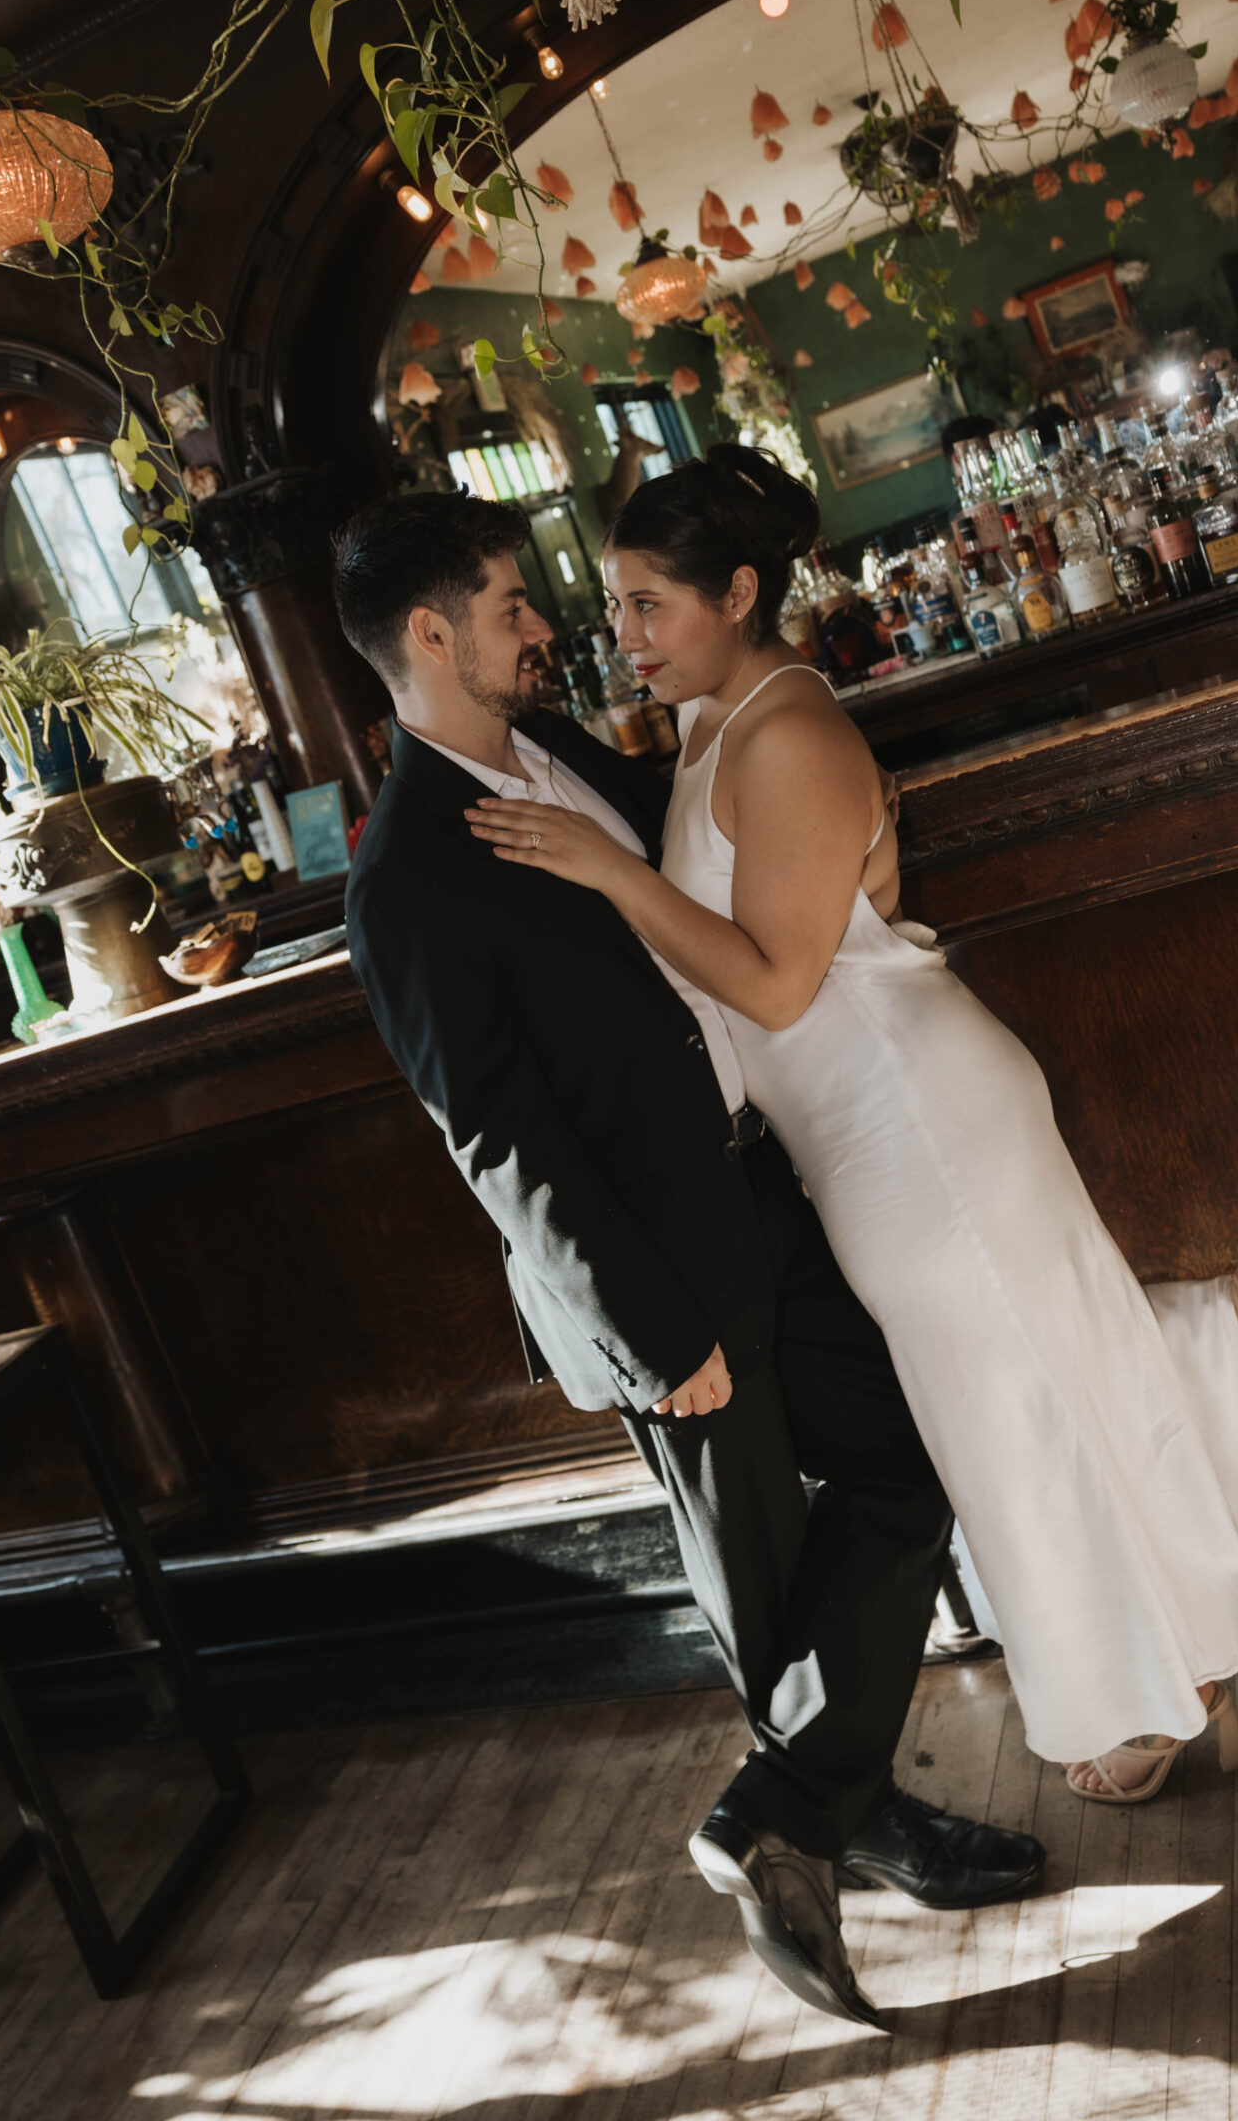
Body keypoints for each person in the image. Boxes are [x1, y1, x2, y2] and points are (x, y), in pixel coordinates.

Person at [463, 446, 1238, 1806]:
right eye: (618, 604)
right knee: (1036, 1385)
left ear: (741, 593)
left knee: (1013, 1416)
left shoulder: (790, 732)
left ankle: (1148, 1685)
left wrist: (603, 869)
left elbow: (773, 978)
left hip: (916, 1121)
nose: (623, 635)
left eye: (649, 604)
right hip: (864, 1125)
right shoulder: (718, 723)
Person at [334, 493, 1043, 2029]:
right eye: (514, 604)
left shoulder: (575, 759)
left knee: (909, 1468)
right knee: (764, 1577)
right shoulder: (402, 878)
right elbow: (497, 1140)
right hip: (655, 1272)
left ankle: (790, 1809)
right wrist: (651, 1330)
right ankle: (846, 1822)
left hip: (765, 1196)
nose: (544, 627)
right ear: (433, 635)